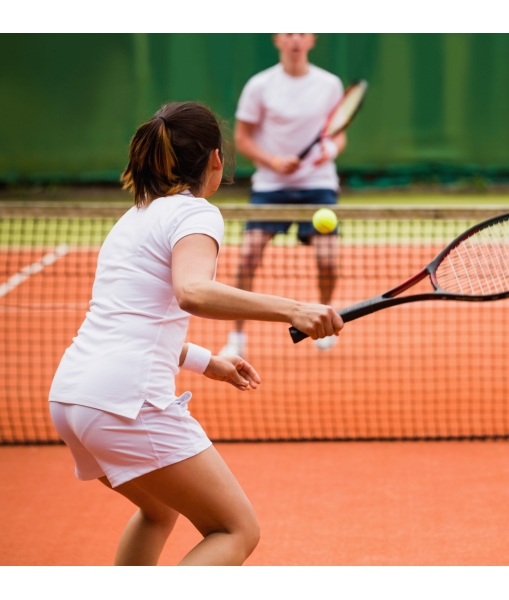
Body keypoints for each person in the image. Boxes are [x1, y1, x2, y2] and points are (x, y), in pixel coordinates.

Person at [48, 102, 343, 566]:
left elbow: (133, 322)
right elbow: (193, 292)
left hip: (72, 399)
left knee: (158, 510)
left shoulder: (135, 217)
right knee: (234, 529)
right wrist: (296, 309)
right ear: (216, 160)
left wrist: (209, 362)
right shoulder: (196, 214)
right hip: (126, 403)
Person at [220, 33, 346, 355]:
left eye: (301, 32)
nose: (295, 39)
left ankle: (325, 315)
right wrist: (274, 161)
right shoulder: (259, 85)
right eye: (288, 32)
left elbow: (338, 133)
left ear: (311, 39)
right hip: (271, 188)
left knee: (328, 261)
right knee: (247, 257)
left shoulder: (329, 84)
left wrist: (328, 150)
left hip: (318, 186)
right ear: (277, 39)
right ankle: (237, 337)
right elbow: (244, 138)